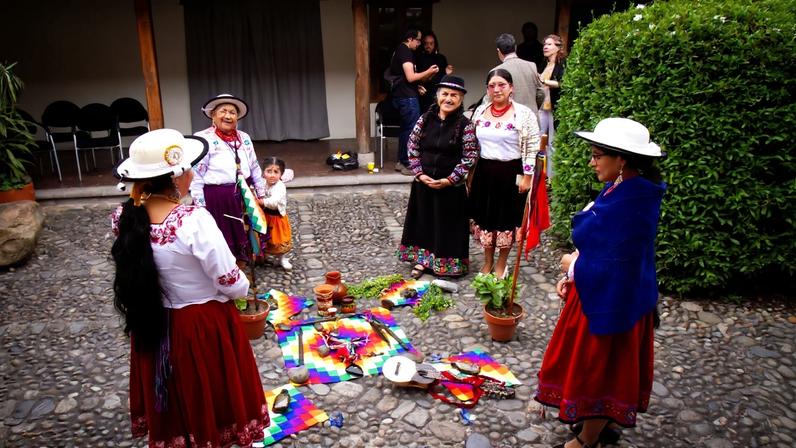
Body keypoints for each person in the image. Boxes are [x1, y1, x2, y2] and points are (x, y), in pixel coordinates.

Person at [111, 129, 268, 447]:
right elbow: (231, 283)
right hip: (199, 325)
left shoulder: (124, 218)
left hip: (151, 322)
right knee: (205, 388)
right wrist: (241, 286)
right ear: (177, 175)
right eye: (190, 167)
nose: (194, 172)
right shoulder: (193, 220)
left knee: (172, 388)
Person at [534, 118, 666, 448]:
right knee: (594, 363)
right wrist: (572, 274)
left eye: (597, 155)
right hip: (601, 292)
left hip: (614, 302)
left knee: (600, 367)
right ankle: (596, 424)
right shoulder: (622, 189)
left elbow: (617, 261)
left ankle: (586, 440)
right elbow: (605, 248)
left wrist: (572, 264)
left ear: (621, 159)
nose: (592, 162)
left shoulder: (632, 202)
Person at [397, 75, 478, 278]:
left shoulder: (465, 125)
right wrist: (419, 173)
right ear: (437, 95)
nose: (448, 99)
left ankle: (447, 264)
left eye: (454, 95)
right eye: (445, 94)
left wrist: (450, 179)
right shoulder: (424, 119)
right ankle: (423, 262)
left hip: (451, 187)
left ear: (461, 99)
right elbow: (412, 146)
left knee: (448, 226)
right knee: (424, 223)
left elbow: (470, 156)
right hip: (424, 184)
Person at [469, 68, 540, 278]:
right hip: (484, 172)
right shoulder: (480, 112)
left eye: (502, 85)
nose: (497, 89)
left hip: (511, 173)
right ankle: (487, 261)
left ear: (511, 88)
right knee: (486, 218)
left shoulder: (523, 114)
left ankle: (501, 264)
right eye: (492, 86)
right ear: (487, 90)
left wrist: (527, 176)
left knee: (506, 219)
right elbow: (471, 143)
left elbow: (532, 145)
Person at [190, 93, 267, 266]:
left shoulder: (244, 137)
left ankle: (241, 267)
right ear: (213, 115)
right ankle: (225, 271)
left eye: (232, 112)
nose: (228, 115)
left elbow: (253, 165)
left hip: (244, 193)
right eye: (223, 111)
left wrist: (261, 192)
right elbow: (196, 174)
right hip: (217, 197)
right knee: (221, 237)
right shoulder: (204, 138)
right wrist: (200, 204)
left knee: (244, 232)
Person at [389, 28, 440, 175]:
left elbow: (404, 78)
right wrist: (428, 72)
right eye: (418, 40)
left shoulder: (400, 51)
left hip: (403, 94)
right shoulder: (405, 51)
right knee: (411, 129)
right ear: (410, 39)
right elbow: (410, 76)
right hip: (406, 98)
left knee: (405, 129)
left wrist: (417, 86)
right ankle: (406, 163)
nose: (419, 43)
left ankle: (400, 161)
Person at [494, 33, 543, 119]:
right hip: (532, 117)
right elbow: (541, 93)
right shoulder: (532, 66)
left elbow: (494, 98)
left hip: (509, 119)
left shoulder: (496, 71)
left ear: (498, 51)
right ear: (515, 47)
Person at [538, 34, 567, 177]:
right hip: (542, 106)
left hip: (554, 107)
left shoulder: (562, 64)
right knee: (538, 139)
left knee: (553, 142)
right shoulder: (544, 64)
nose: (545, 47)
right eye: (544, 44)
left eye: (549, 44)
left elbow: (563, 83)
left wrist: (544, 81)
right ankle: (538, 174)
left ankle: (551, 177)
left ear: (558, 47)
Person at [259, 156, 293, 270]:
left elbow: (274, 202)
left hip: (277, 217)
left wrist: (261, 201)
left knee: (280, 239)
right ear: (263, 173)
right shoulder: (262, 183)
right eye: (269, 171)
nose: (272, 175)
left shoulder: (280, 186)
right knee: (265, 237)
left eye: (276, 172)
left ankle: (283, 258)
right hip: (265, 216)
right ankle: (263, 256)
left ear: (281, 174)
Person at [416, 30, 454, 113]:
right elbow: (418, 79)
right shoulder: (419, 58)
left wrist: (447, 73)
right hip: (425, 96)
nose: (428, 46)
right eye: (426, 43)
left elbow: (444, 79)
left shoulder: (441, 58)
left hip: (439, 95)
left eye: (431, 43)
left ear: (435, 44)